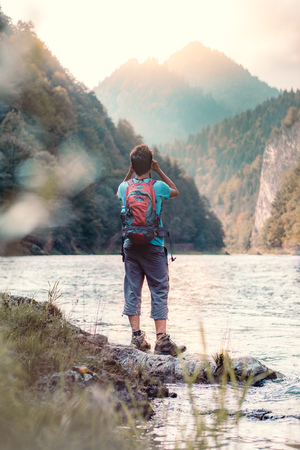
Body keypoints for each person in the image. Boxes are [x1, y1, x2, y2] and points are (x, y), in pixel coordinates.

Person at [117, 144, 186, 356]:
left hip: (130, 246)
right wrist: (159, 170)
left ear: (132, 165)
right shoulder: (158, 186)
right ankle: (162, 341)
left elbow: (121, 185)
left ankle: (137, 337)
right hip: (154, 246)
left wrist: (130, 172)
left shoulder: (124, 187)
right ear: (151, 163)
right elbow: (175, 190)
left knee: (132, 289)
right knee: (159, 290)